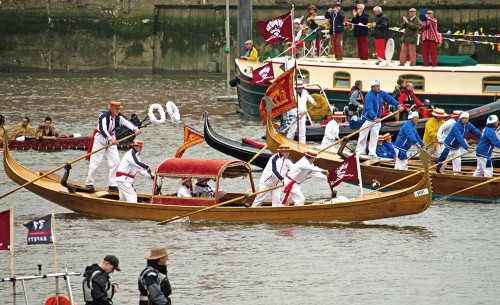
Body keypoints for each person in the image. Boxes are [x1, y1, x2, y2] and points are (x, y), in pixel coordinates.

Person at [85, 101, 141, 193]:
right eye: (116, 109)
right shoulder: (103, 116)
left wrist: (135, 129)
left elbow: (127, 122)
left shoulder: (119, 116)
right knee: (95, 163)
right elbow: (103, 129)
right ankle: (89, 183)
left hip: (112, 141)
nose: (118, 111)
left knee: (116, 162)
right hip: (100, 140)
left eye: (119, 109)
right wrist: (111, 139)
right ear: (110, 109)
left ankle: (113, 185)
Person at [356, 80, 404, 158]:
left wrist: (398, 105)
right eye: (376, 86)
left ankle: (372, 153)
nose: (378, 87)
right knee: (363, 136)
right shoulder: (369, 96)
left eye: (379, 86)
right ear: (372, 87)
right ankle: (359, 152)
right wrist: (374, 117)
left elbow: (390, 99)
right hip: (367, 119)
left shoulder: (382, 93)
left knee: (374, 137)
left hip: (377, 119)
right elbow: (369, 108)